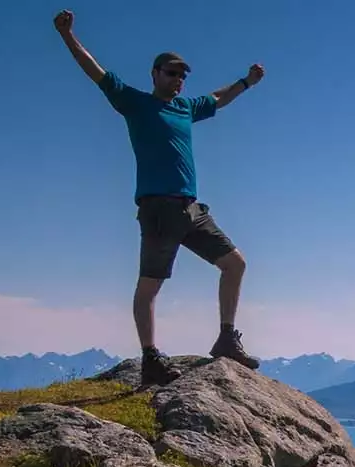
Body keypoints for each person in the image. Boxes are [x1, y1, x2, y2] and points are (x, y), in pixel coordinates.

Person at [53, 10, 265, 386]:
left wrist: (245, 83)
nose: (179, 79)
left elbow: (217, 97)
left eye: (183, 75)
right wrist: (68, 36)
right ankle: (150, 358)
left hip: (191, 209)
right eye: (171, 72)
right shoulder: (135, 103)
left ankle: (226, 339)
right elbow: (96, 73)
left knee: (235, 263)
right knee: (149, 285)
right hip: (158, 209)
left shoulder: (185, 108)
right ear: (154, 74)